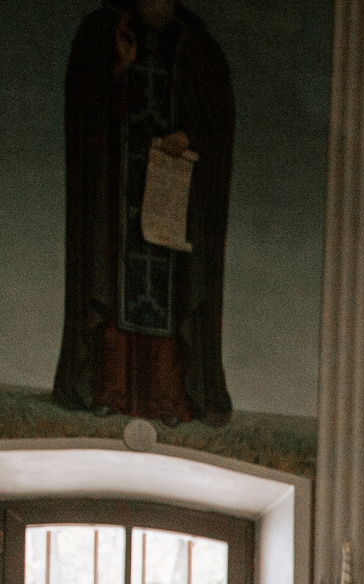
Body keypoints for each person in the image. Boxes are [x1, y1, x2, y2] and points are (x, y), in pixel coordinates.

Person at [52, 0, 235, 424]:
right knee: (113, 282)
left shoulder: (197, 43)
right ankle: (110, 391)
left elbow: (217, 119)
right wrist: (117, 68)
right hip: (115, 187)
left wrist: (188, 134)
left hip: (174, 190)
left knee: (172, 290)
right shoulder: (106, 29)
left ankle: (168, 400)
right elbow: (85, 103)